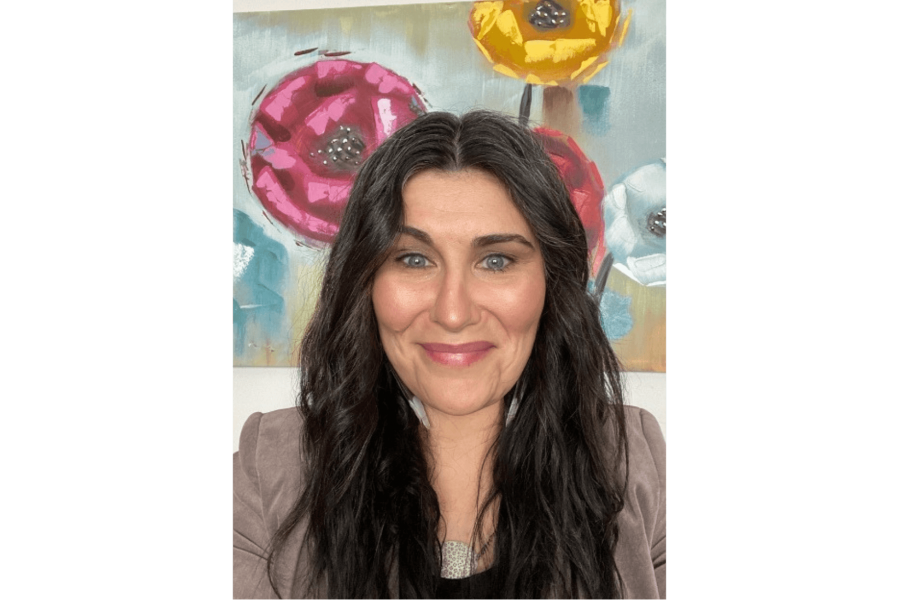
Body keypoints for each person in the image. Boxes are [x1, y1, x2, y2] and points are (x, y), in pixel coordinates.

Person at [232, 110, 666, 600]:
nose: (453, 313)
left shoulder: (641, 469)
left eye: (496, 261)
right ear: (365, 281)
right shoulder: (268, 473)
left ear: (552, 283)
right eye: (414, 259)